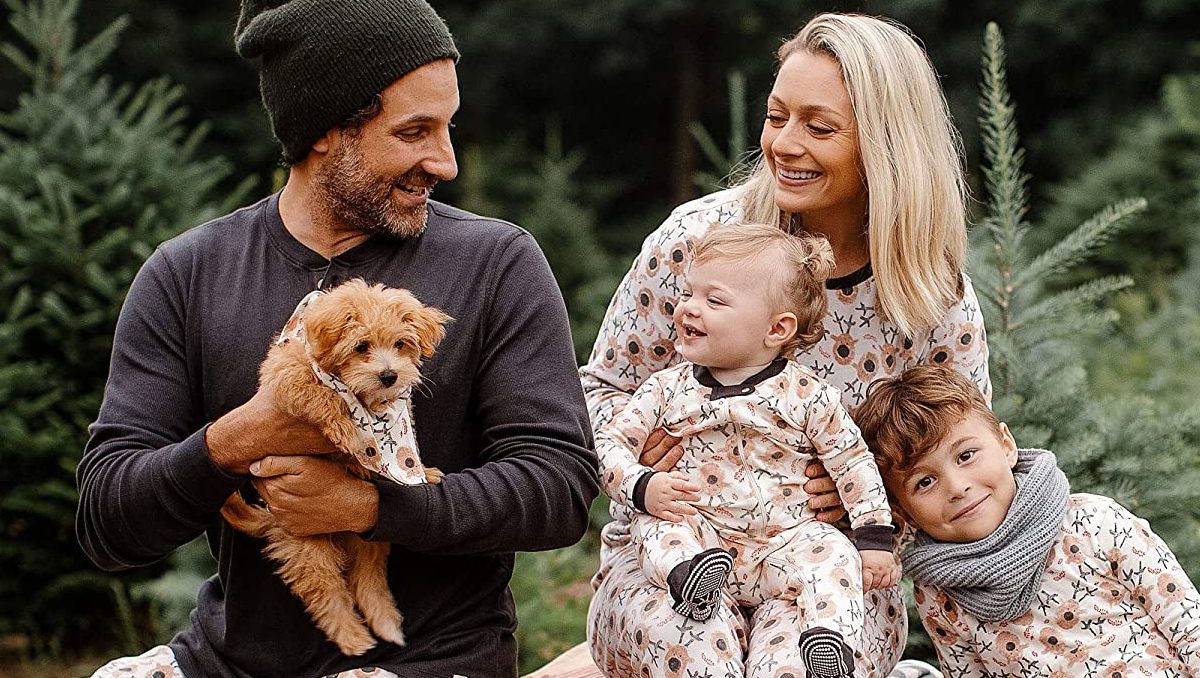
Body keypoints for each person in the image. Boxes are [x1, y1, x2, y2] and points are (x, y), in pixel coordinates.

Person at [75, 2, 598, 677]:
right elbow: (107, 524)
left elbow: (557, 490)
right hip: (226, 662)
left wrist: (376, 507)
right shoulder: (188, 274)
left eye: (448, 128)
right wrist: (238, 438)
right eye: (415, 132)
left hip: (426, 662)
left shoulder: (496, 263)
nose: (446, 162)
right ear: (325, 130)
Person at [580, 12, 990, 677]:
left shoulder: (931, 297)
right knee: (690, 653)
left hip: (822, 574)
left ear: (887, 145)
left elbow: (961, 465)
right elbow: (600, 389)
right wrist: (642, 464)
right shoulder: (698, 240)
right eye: (777, 118)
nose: (785, 145)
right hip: (675, 558)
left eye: (819, 127)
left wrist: (871, 499)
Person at [596, 223, 898, 677]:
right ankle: (689, 582)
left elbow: (852, 462)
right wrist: (642, 484)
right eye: (689, 294)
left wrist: (874, 535)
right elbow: (609, 444)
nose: (688, 309)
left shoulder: (807, 396)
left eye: (714, 300)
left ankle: (825, 638)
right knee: (658, 526)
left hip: (783, 542)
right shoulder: (666, 389)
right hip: (700, 537)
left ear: (778, 328)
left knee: (831, 551)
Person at [854, 364, 1200, 675]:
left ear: (1006, 445)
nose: (957, 487)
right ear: (900, 510)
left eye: (966, 455)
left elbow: (1189, 627)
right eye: (924, 482)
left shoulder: (1095, 521)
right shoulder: (939, 593)